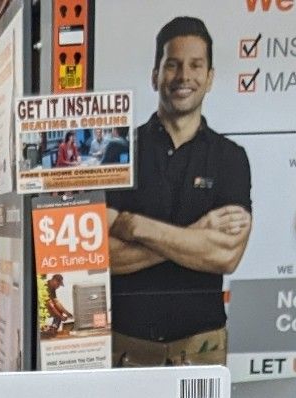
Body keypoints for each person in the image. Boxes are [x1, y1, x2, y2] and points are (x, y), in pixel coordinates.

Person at [106, 16, 252, 366]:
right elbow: (102, 256)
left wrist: (138, 227)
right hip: (126, 345)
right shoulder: (115, 150)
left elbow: (225, 256)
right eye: (172, 65)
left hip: (202, 346)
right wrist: (196, 236)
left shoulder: (230, 158)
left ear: (210, 77)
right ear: (155, 75)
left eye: (195, 65)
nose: (184, 76)